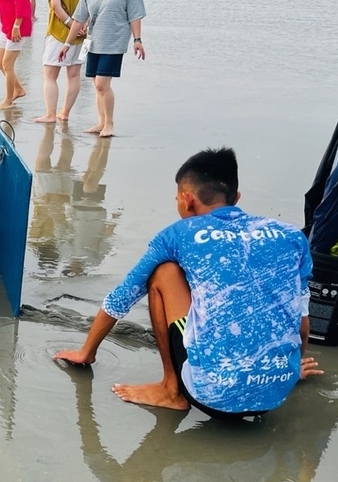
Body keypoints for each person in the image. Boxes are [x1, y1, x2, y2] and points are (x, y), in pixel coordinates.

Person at [54, 148, 321, 419]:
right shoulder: (290, 236)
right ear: (236, 198)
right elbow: (301, 318)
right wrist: (289, 368)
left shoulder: (177, 234)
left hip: (210, 395)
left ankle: (171, 391)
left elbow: (123, 297)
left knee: (164, 273)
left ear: (187, 200)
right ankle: (274, 372)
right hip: (276, 393)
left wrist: (86, 352)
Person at [57, 0, 144, 137]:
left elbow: (135, 14)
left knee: (102, 84)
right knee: (97, 85)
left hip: (114, 43)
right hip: (93, 42)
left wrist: (137, 40)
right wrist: (67, 44)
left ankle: (109, 124)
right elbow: (79, 18)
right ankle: (101, 122)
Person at [34, 0, 92, 124]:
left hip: (59, 33)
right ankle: (65, 113)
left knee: (50, 75)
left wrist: (70, 23)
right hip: (84, 34)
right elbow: (95, 3)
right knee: (74, 74)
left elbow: (55, 5)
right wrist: (85, 24)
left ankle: (50, 114)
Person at [0, 0, 31, 110]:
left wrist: (16, 26)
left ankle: (8, 101)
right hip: (7, 25)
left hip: (18, 26)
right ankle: (19, 89)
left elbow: (22, 2)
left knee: (7, 64)